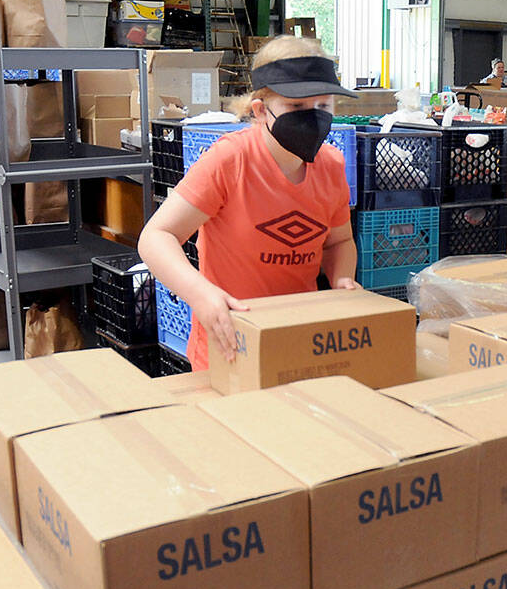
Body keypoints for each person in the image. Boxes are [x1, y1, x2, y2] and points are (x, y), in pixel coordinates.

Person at [137, 36, 359, 371]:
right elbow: (155, 237)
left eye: (323, 107)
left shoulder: (331, 166)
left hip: (298, 338)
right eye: (296, 108)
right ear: (260, 110)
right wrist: (201, 295)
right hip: (230, 344)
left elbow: (339, 241)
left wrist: (341, 278)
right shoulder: (230, 161)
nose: (313, 118)